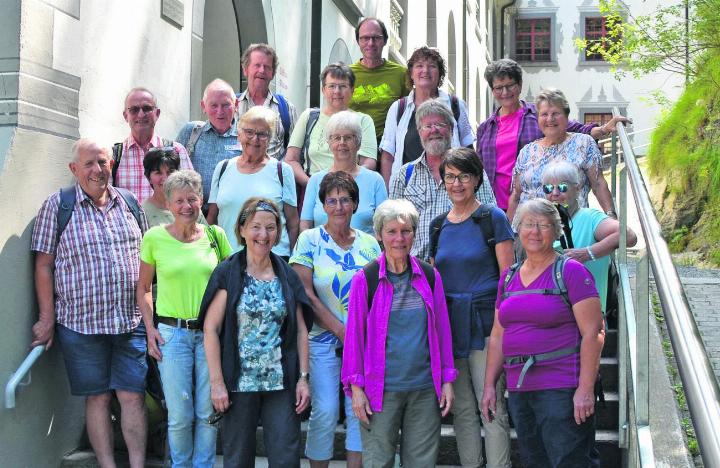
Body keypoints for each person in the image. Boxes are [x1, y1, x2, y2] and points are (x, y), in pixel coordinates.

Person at [30, 138, 149, 468]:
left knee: (132, 395)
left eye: (103, 162)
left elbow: (147, 261)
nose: (98, 170)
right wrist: (46, 317)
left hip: (129, 321)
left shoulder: (128, 202)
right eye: (90, 164)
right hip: (80, 324)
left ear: (112, 164)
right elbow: (43, 264)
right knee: (97, 398)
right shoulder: (58, 205)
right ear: (74, 169)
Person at [481, 198, 605, 468]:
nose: (534, 232)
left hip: (562, 387)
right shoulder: (509, 277)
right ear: (518, 228)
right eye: (528, 224)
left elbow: (594, 332)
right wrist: (490, 384)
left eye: (543, 225)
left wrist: (585, 389)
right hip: (520, 388)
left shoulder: (570, 271)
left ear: (556, 231)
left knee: (569, 462)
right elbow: (499, 334)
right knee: (534, 461)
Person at [342, 199, 456, 468]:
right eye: (391, 231)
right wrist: (356, 389)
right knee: (378, 462)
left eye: (406, 231)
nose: (399, 238)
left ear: (414, 234)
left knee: (422, 463)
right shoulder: (365, 279)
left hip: (424, 389)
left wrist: (447, 380)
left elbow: (442, 332)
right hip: (379, 392)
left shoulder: (430, 276)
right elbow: (354, 340)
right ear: (380, 235)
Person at [200, 198, 313, 467]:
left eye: (271, 228)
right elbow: (210, 328)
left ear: (279, 232)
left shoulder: (286, 273)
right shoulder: (229, 271)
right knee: (237, 458)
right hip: (238, 384)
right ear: (241, 229)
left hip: (281, 384)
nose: (263, 235)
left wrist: (303, 379)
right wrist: (216, 383)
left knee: (286, 457)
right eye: (256, 227)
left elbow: (299, 331)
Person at [136, 170, 232, 467]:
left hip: (209, 334)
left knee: (207, 412)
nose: (187, 206)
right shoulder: (154, 238)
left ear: (201, 200)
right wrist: (150, 329)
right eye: (179, 200)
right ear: (168, 203)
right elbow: (143, 288)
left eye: (192, 199)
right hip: (171, 334)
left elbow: (230, 283)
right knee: (179, 415)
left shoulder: (216, 237)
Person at [290, 172, 382, 468]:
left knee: (359, 410)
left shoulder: (370, 244)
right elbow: (305, 294)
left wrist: (359, 336)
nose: (339, 206)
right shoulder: (309, 240)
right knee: (326, 411)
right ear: (323, 205)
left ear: (355, 204)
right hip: (323, 342)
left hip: (363, 343)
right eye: (332, 200)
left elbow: (380, 293)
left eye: (345, 200)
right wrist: (342, 331)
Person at [429, 148, 514, 468]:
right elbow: (435, 280)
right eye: (450, 176)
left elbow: (508, 279)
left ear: (477, 179)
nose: (457, 183)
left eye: (464, 176)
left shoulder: (493, 218)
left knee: (490, 404)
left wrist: (499, 329)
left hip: (486, 326)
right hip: (450, 327)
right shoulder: (438, 226)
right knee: (462, 409)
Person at [477, 59, 630, 211]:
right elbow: (479, 171)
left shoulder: (539, 115)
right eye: (498, 88)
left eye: (510, 86)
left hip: (532, 204)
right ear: (492, 90)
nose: (505, 92)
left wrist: (603, 129)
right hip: (495, 206)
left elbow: (575, 128)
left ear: (520, 85)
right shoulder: (485, 128)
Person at [389, 99, 495, 262]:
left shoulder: (472, 170)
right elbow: (392, 225)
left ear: (451, 130)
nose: (434, 130)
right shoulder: (405, 175)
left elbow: (490, 216)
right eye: (428, 126)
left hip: (463, 268)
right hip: (417, 271)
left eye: (440, 124)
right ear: (419, 132)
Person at [505, 87, 616, 223]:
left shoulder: (583, 143)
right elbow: (516, 195)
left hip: (571, 229)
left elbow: (598, 184)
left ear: (566, 116)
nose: (550, 119)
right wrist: (507, 234)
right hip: (528, 231)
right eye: (544, 114)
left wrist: (611, 217)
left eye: (555, 113)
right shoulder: (526, 152)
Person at [541, 161, 637, 313]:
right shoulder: (542, 222)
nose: (555, 193)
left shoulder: (589, 217)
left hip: (587, 315)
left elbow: (628, 236)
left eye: (562, 187)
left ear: (577, 188)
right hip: (552, 314)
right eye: (548, 188)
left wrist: (587, 253)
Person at [207, 106, 298, 258]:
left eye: (262, 134)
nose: (255, 139)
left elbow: (293, 223)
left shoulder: (282, 170)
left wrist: (293, 262)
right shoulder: (222, 168)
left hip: (273, 261)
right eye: (249, 132)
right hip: (230, 260)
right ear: (239, 135)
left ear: (269, 139)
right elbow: (212, 218)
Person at [380, 46, 474, 185]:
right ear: (411, 73)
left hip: (449, 188)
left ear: (440, 74)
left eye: (432, 66)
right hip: (407, 190)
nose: (425, 71)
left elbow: (468, 149)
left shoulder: (456, 105)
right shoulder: (398, 109)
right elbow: (387, 156)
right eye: (419, 66)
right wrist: (389, 194)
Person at [285, 63, 378, 192]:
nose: (337, 91)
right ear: (323, 89)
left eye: (343, 86)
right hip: (314, 189)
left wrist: (346, 185)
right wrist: (312, 184)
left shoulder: (363, 121)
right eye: (332, 86)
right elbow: (291, 159)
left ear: (352, 90)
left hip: (352, 191)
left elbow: (368, 162)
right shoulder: (309, 117)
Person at [300, 111, 387, 235]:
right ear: (329, 143)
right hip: (322, 252)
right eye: (336, 138)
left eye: (348, 137)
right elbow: (305, 225)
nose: (342, 142)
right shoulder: (315, 180)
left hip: (365, 253)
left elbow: (384, 225)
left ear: (358, 143)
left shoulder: (375, 180)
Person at [115, 87, 193, 203]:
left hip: (166, 221)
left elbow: (191, 195)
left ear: (157, 114)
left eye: (147, 108)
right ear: (126, 116)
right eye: (134, 110)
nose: (141, 114)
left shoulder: (177, 151)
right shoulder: (115, 155)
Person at [176, 79, 241, 211]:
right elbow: (172, 170)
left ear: (236, 104)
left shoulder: (246, 136)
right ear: (203, 106)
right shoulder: (190, 132)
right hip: (194, 213)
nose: (220, 111)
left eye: (225, 105)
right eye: (213, 105)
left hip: (232, 214)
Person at [349, 17, 410, 146]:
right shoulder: (347, 74)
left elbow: (409, 112)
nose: (370, 43)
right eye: (365, 38)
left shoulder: (401, 74)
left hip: (388, 147)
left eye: (376, 38)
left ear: (385, 41)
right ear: (358, 41)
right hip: (352, 146)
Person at [236, 44, 298, 160]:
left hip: (273, 176)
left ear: (273, 74)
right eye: (257, 65)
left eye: (267, 67)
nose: (262, 70)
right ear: (245, 69)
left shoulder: (286, 108)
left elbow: (295, 153)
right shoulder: (231, 106)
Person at [141, 147, 207, 227]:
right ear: (149, 178)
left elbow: (207, 236)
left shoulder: (191, 207)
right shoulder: (142, 212)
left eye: (170, 172)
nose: (166, 178)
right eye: (158, 173)